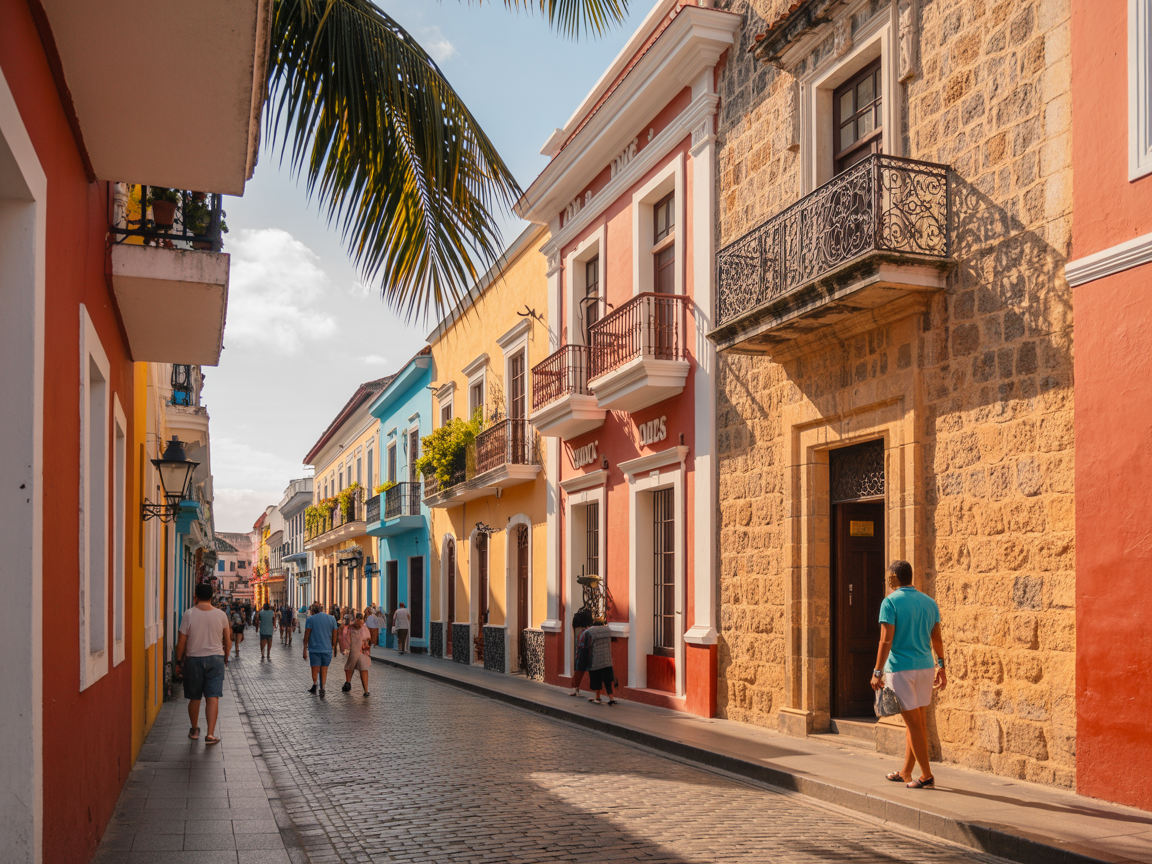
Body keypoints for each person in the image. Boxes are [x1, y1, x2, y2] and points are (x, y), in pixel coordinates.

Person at [871, 559, 947, 789]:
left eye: (888, 576)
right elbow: (937, 639)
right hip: (925, 668)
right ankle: (906, 772)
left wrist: (877, 671)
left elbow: (886, 639)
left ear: (894, 577)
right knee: (915, 723)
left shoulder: (890, 602)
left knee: (914, 725)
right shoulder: (929, 602)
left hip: (901, 670)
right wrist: (941, 665)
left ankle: (926, 775)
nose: (886, 579)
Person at [174, 583, 231, 745]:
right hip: (216, 659)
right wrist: (225, 657)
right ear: (212, 596)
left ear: (196, 596)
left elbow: (182, 641)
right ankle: (210, 734)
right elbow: (228, 640)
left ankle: (194, 729)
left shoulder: (189, 614)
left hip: (194, 659)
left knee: (194, 697)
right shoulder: (221, 615)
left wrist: (179, 661)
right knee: (213, 697)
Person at [303, 603, 339, 697]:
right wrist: (333, 646)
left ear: (313, 611)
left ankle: (315, 684)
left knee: (315, 668)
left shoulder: (310, 619)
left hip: (314, 649)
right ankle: (322, 687)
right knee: (324, 668)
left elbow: (307, 634)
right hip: (327, 648)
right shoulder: (331, 619)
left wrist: (304, 648)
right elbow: (335, 632)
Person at [584, 620, 616, 705]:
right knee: (607, 680)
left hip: (596, 659)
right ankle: (611, 698)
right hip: (607, 660)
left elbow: (587, 645)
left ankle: (597, 697)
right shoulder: (608, 630)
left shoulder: (590, 631)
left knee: (597, 679)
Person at [342, 613, 373, 696]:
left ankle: (351, 684)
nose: (359, 621)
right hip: (356, 651)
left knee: (359, 667)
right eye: (358, 619)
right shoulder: (354, 627)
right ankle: (350, 684)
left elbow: (368, 638)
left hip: (358, 651)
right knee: (355, 667)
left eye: (359, 619)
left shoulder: (358, 627)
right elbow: (346, 639)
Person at [568, 609, 594, 697]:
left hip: (581, 653)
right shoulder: (587, 632)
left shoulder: (581, 633)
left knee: (579, 670)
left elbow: (580, 645)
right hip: (586, 653)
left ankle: (576, 689)